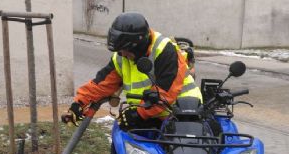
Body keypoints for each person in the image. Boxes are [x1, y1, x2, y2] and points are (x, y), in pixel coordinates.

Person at [64, 12, 202, 129]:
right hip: (149, 115)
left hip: (183, 113)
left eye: (125, 50)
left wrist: (137, 114)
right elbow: (101, 84)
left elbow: (166, 92)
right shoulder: (121, 57)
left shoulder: (164, 50)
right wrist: (79, 103)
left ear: (138, 46)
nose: (122, 54)